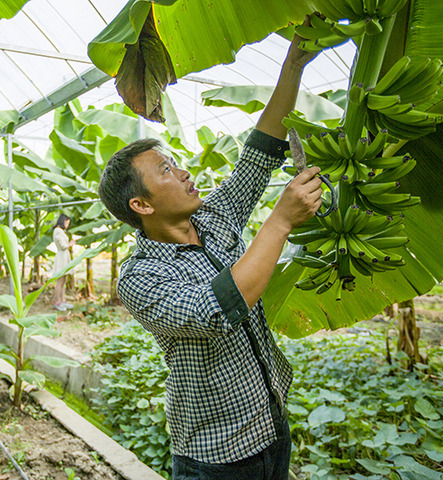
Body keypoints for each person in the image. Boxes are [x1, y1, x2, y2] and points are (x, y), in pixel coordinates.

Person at [97, 18, 323, 480]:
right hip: (216, 454)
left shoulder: (214, 217)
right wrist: (279, 221)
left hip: (272, 424)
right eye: (166, 170)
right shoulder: (139, 278)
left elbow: (259, 153)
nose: (182, 173)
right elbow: (216, 310)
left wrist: (293, 66)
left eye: (176, 163)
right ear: (140, 204)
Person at [51, 214, 75, 311]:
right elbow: (63, 245)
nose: (67, 225)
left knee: (63, 280)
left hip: (64, 257)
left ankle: (63, 300)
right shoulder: (58, 231)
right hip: (61, 257)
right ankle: (57, 301)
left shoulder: (60, 231)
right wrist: (70, 243)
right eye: (67, 223)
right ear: (63, 221)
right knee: (60, 281)